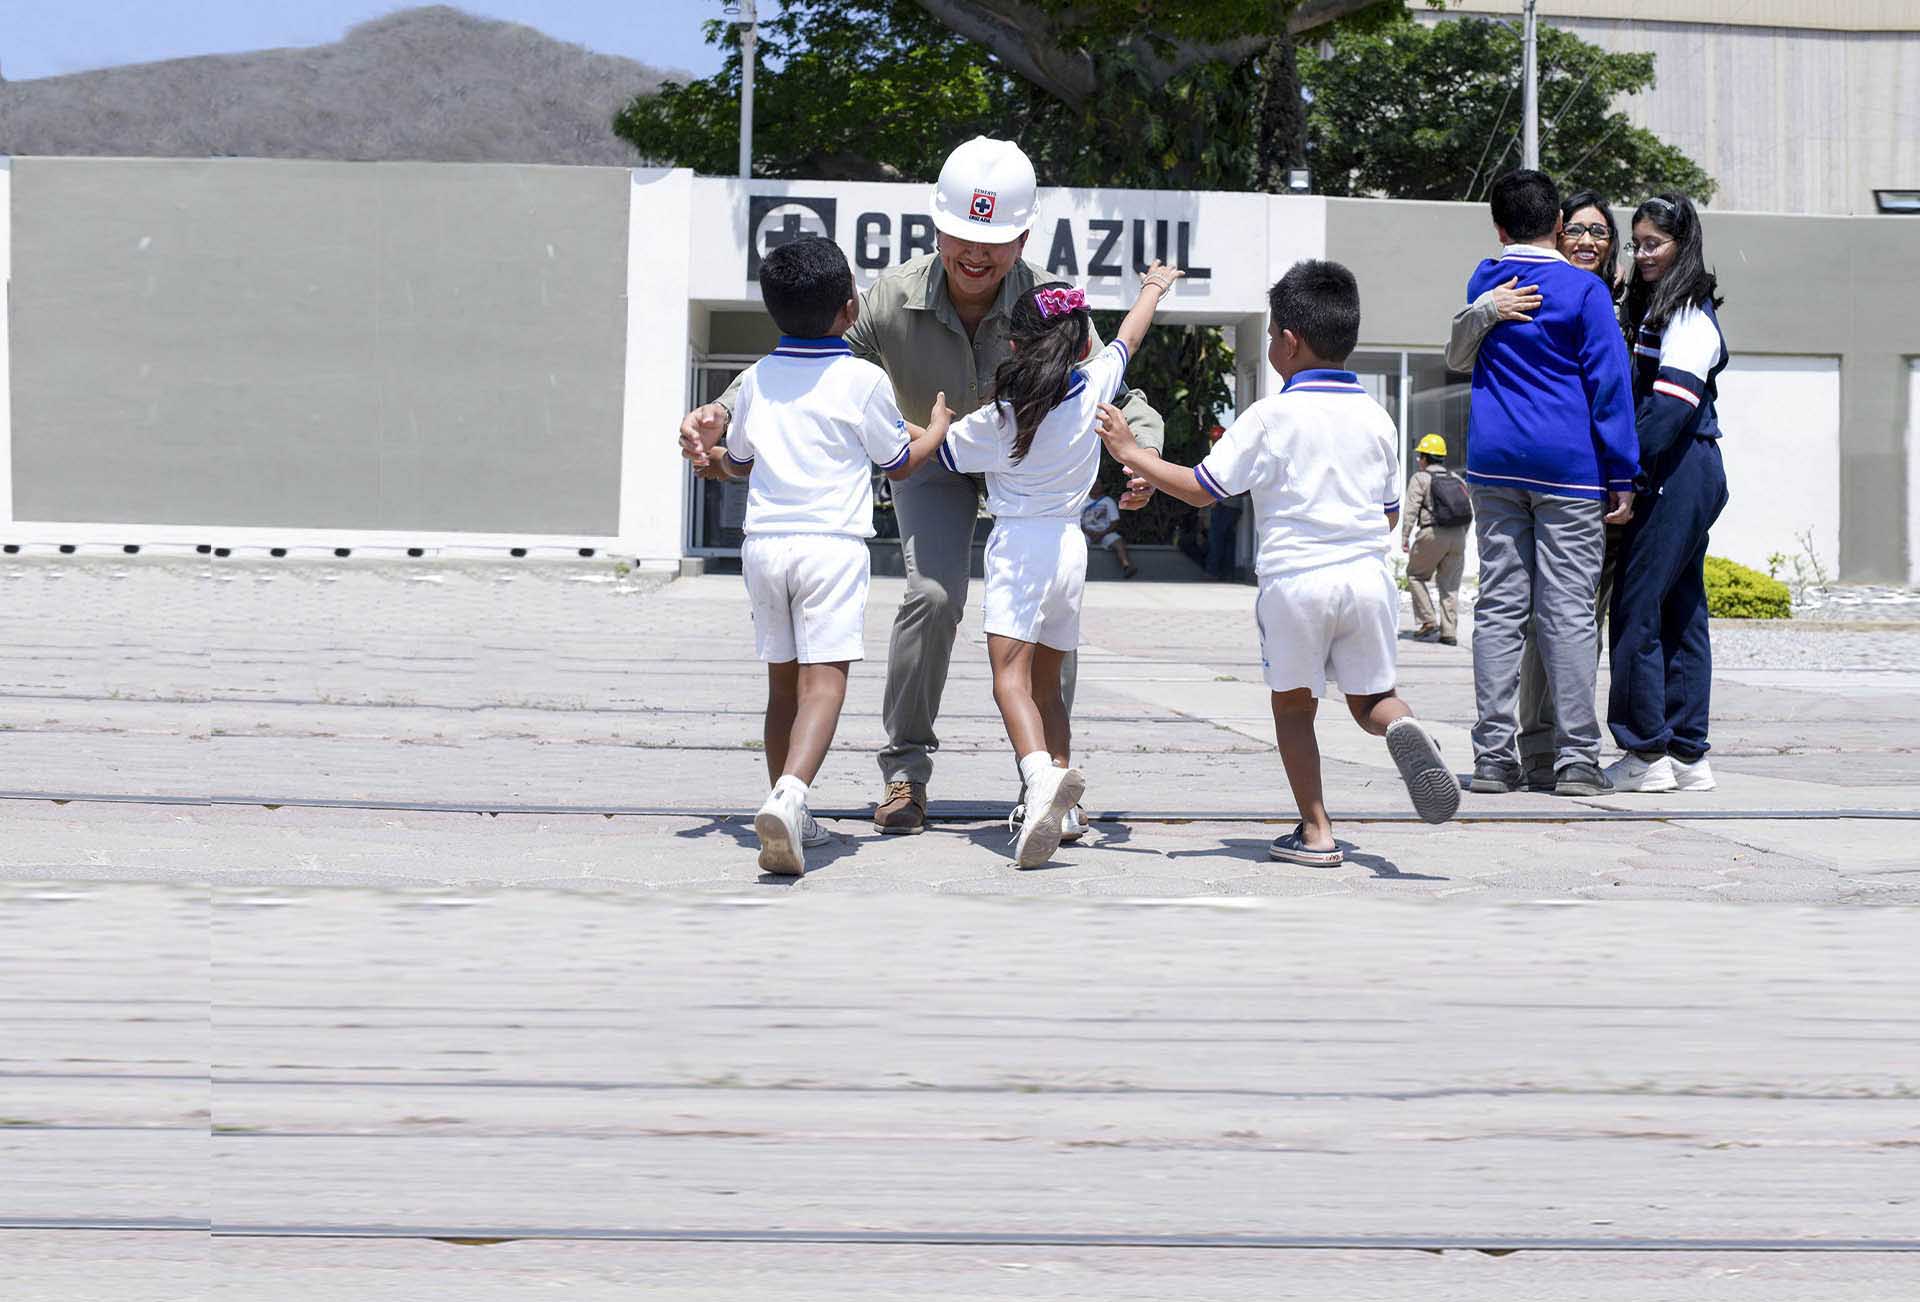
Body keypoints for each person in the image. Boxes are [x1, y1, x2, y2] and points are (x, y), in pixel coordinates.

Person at [679, 137, 1167, 838]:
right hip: (929, 461)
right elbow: (803, 363)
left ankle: (1053, 778)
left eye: (996, 242)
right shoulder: (888, 296)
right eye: (962, 235)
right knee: (933, 597)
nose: (977, 253)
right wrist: (721, 410)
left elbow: (1118, 388)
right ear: (936, 226)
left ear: (1024, 237)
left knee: (1046, 621)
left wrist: (1141, 454)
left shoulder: (1053, 305)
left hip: (1021, 472)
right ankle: (906, 772)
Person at [1095, 260, 1459, 866]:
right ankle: (1404, 727)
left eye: (1269, 336)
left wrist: (1131, 452)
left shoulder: (1270, 416)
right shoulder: (1377, 416)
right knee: (1372, 702)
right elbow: (1390, 514)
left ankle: (1316, 832)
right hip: (1367, 579)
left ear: (1289, 342)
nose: (1267, 346)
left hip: (1297, 581)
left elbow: (1200, 487)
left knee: (1294, 706)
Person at [681, 237, 950, 874]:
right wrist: (937, 427)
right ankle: (792, 795)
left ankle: (790, 809)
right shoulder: (864, 380)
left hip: (764, 547)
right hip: (831, 547)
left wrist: (707, 461)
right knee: (824, 683)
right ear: (850, 308)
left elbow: (739, 463)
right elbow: (900, 462)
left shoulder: (758, 380)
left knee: (782, 685)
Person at [938, 265, 1183, 866]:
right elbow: (1130, 335)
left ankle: (1041, 780)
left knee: (1008, 678)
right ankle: (1065, 808)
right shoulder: (1097, 383)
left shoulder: (1001, 418)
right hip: (1071, 550)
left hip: (1019, 548)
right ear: (1079, 343)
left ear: (1014, 346)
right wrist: (1153, 286)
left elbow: (940, 454)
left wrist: (938, 423)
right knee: (1049, 685)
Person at [1460, 170, 1638, 798]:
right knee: (1566, 611)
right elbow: (1609, 387)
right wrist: (1622, 472)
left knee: (1500, 606)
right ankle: (1575, 760)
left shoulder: (1486, 280)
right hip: (1567, 470)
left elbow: (1461, 349)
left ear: (1499, 227)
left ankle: (1493, 757)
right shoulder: (1586, 291)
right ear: (1560, 226)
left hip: (1493, 464)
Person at [1605, 193, 1730, 793]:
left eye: (1655, 243)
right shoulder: (1665, 309)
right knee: (1682, 612)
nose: (1644, 254)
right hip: (1691, 468)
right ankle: (1687, 755)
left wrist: (1625, 474)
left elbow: (1668, 411)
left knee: (1636, 607)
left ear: (1683, 244)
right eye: (1638, 243)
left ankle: (1645, 753)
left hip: (1676, 467)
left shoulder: (1686, 314)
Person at [1399, 433, 1471, 645]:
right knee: (1449, 586)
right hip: (1458, 535)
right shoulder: (1457, 479)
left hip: (1432, 533)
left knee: (1414, 575)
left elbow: (1411, 509)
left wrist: (1405, 536)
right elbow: (1467, 511)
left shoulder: (1420, 478)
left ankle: (1428, 621)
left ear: (1424, 458)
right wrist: (1460, 536)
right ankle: (1449, 632)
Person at [1079, 492, 1137, 579]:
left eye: (1099, 484)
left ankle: (1127, 566)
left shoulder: (1108, 501)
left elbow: (1114, 521)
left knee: (1118, 541)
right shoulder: (1082, 500)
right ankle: (1075, 570)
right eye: (1095, 484)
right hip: (1086, 532)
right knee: (1076, 543)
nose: (1096, 486)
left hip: (1105, 532)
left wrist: (1102, 533)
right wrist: (1088, 532)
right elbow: (1076, 520)